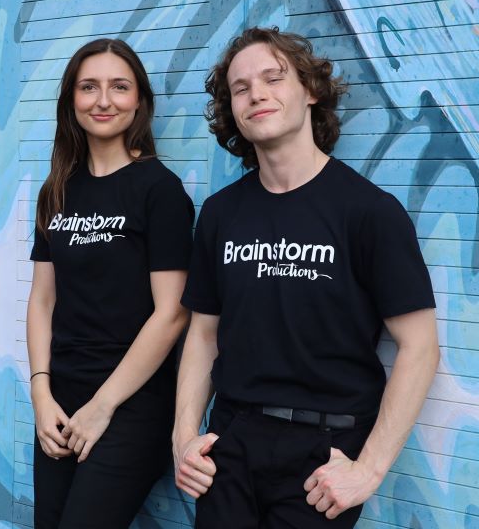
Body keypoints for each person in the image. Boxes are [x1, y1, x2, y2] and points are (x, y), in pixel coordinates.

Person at [173, 27, 439, 529]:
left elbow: (420, 346)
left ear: (311, 91)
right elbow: (203, 333)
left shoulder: (368, 212)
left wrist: (367, 470)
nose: (257, 94)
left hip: (323, 458)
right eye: (241, 87)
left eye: (274, 77)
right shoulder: (220, 214)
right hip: (229, 444)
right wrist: (184, 437)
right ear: (232, 109)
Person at [27, 38, 194, 529]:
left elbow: (173, 312)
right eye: (89, 87)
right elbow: (42, 300)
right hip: (61, 400)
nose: (103, 100)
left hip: (130, 404)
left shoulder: (159, 191)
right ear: (71, 100)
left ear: (139, 99)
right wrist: (41, 394)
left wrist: (103, 406)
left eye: (119, 87)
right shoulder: (58, 188)